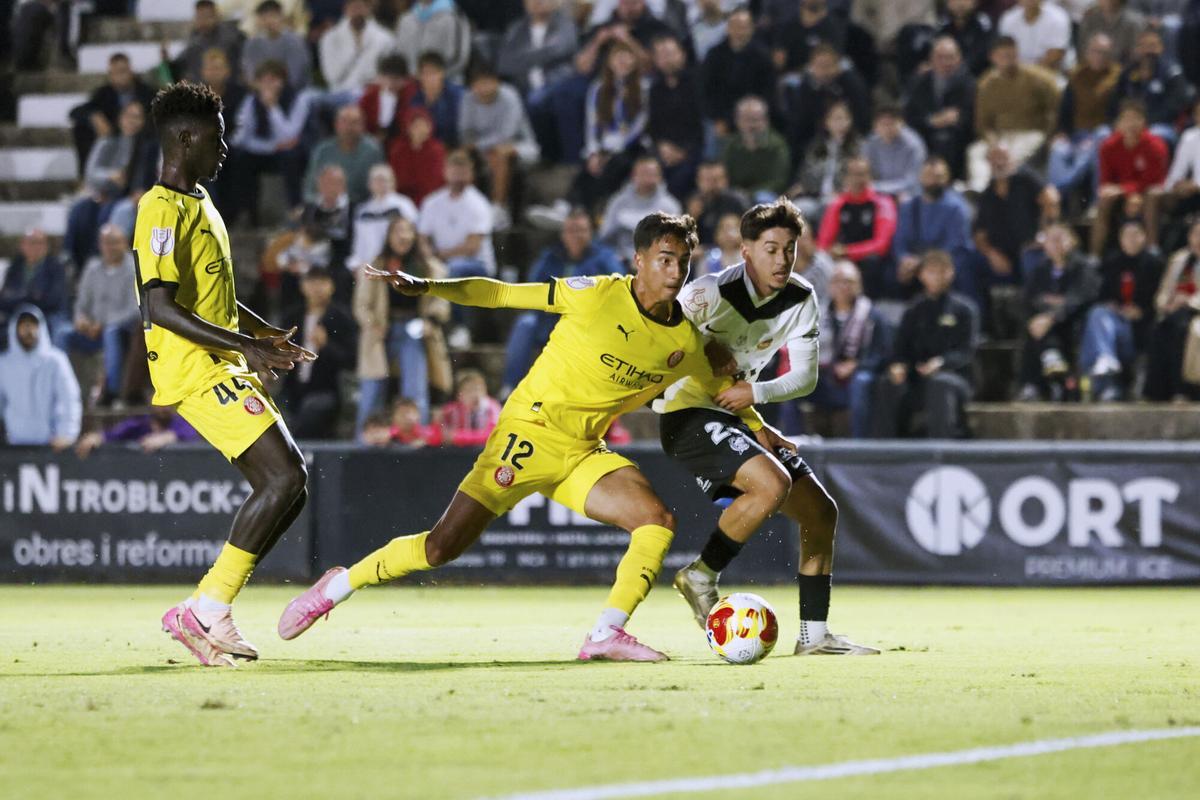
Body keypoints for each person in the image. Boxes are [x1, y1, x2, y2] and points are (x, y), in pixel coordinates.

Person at [278, 212, 789, 662]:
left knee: (656, 520)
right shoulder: (595, 294)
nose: (675, 273)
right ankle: (337, 586)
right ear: (639, 260)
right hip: (527, 434)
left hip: (582, 451)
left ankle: (605, 634)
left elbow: (722, 388)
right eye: (664, 259)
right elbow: (500, 294)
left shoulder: (686, 339)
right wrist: (431, 287)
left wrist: (762, 429)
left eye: (682, 261)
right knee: (441, 548)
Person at [137, 81, 316, 668]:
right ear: (185, 138)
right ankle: (207, 608)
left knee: (291, 485)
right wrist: (245, 345)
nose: (225, 149)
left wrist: (260, 334)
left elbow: (212, 297)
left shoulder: (201, 203)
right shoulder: (159, 209)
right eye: (216, 137)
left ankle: (209, 606)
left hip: (222, 360)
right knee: (283, 477)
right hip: (195, 369)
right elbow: (159, 306)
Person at [661, 199, 877, 655]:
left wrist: (754, 401)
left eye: (790, 249)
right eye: (771, 249)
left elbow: (806, 377)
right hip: (686, 415)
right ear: (746, 251)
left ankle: (813, 637)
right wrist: (701, 347)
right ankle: (701, 574)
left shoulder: (801, 297)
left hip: (739, 415)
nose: (781, 260)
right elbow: (656, 339)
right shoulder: (706, 294)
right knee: (772, 483)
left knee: (821, 513)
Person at [500, 208, 623, 395]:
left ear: (590, 233)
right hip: (551, 321)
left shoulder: (604, 258)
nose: (576, 235)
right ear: (563, 234)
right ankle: (510, 387)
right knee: (525, 324)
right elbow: (534, 288)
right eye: (571, 230)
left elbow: (619, 288)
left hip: (588, 323)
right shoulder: (550, 256)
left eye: (581, 230)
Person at [354, 215, 451, 431]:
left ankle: (417, 439)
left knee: (415, 388)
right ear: (389, 236)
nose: (403, 235)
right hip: (381, 331)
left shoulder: (428, 267)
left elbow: (441, 298)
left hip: (415, 329)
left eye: (407, 231)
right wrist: (372, 324)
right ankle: (364, 443)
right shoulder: (375, 266)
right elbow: (361, 305)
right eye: (397, 230)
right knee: (372, 389)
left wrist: (430, 320)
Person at [874, 250, 978, 438]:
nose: (936, 277)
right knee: (887, 383)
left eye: (941, 271)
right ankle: (887, 449)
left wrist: (942, 363)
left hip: (955, 378)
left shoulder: (965, 310)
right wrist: (898, 366)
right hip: (917, 378)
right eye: (931, 272)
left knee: (939, 384)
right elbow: (900, 349)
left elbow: (966, 351)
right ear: (921, 275)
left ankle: (941, 450)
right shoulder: (913, 310)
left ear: (951, 273)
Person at [804, 260, 890, 438]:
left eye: (848, 281)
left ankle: (858, 445)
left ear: (859, 285)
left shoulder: (872, 315)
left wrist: (856, 366)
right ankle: (790, 447)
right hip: (826, 372)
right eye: (837, 281)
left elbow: (882, 354)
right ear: (830, 286)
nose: (843, 286)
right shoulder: (817, 315)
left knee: (861, 381)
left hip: (860, 374)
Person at [1079, 220, 1164, 400]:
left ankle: (1103, 384)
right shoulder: (1111, 262)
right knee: (1097, 314)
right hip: (1114, 325)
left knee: (1094, 335)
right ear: (1120, 239)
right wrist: (1113, 307)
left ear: (1144, 237)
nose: (1131, 239)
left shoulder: (1155, 264)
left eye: (1136, 235)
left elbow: (1160, 301)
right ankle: (1106, 363)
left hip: (1140, 330)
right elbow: (1099, 295)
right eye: (1127, 235)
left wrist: (1142, 312)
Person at [1015, 224, 1098, 402]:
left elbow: (1079, 298)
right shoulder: (1040, 269)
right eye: (1050, 239)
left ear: (1072, 241)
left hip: (1072, 324)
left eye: (1060, 238)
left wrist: (1051, 316)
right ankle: (1037, 382)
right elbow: (1028, 299)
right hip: (1043, 325)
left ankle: (1037, 381)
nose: (1055, 244)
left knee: (1044, 330)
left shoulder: (1083, 266)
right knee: (1034, 328)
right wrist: (1035, 319)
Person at [968, 35, 1060, 191]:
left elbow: (1056, 107)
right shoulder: (986, 84)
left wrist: (1050, 133)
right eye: (1004, 56)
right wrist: (993, 143)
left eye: (1013, 55)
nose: (1009, 60)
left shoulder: (1039, 78)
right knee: (976, 152)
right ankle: (980, 190)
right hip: (1000, 136)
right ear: (993, 57)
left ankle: (1005, 190)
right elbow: (983, 123)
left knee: (1012, 156)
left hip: (1031, 132)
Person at [228, 60, 315, 223]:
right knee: (240, 158)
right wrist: (269, 146)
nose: (268, 85)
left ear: (282, 81)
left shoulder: (298, 100)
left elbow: (289, 135)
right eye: (263, 81)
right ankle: (248, 213)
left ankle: (296, 209)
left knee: (289, 157)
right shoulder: (251, 101)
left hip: (291, 151)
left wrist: (272, 107)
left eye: (273, 80)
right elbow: (243, 137)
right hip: (266, 149)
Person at [65, 224, 141, 406]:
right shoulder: (92, 268)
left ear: (124, 244)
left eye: (115, 242)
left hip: (123, 330)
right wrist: (81, 320)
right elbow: (81, 304)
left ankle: (112, 393)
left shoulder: (134, 269)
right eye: (106, 242)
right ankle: (67, 391)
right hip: (92, 329)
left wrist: (103, 324)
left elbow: (135, 309)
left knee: (111, 332)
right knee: (63, 334)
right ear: (100, 244)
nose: (110, 247)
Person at [458, 62, 540, 230]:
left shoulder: (510, 96)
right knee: (460, 156)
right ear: (472, 85)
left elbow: (506, 135)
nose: (483, 88)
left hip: (521, 146)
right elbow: (465, 132)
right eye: (478, 83)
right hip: (484, 149)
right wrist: (475, 147)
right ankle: (466, 208)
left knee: (499, 154)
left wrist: (478, 145)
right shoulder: (467, 99)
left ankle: (499, 210)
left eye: (487, 82)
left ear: (496, 82)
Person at [280, 268, 357, 438]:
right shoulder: (292, 317)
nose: (316, 287)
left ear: (332, 286)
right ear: (302, 286)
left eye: (322, 282)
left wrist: (326, 345)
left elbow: (351, 360)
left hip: (328, 390)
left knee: (312, 409)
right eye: (311, 282)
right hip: (292, 388)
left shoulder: (341, 317)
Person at [1049, 33, 1120, 205]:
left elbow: (1117, 114)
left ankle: (1094, 202)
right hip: (1075, 134)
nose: (1098, 56)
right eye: (1095, 51)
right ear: (1087, 53)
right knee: (1058, 148)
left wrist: (1093, 138)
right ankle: (1056, 202)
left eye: (1103, 52)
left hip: (1101, 134)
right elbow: (1065, 110)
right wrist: (1062, 132)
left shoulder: (1117, 77)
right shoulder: (1076, 76)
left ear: (1110, 55)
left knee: (1091, 148)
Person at [973, 143, 1056, 287]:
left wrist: (1044, 233)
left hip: (1031, 248)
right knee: (968, 262)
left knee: (1031, 258)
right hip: (1001, 254)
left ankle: (1032, 305)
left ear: (1013, 160)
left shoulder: (1026, 179)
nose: (999, 162)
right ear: (988, 162)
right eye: (995, 158)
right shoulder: (987, 194)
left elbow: (1051, 199)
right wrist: (992, 254)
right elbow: (979, 235)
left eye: (1003, 157)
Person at [1093, 101, 1168, 256]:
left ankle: (1152, 248)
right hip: (1121, 194)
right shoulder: (1108, 146)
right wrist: (1123, 193)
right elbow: (1105, 180)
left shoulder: (1155, 145)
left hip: (1148, 192)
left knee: (1152, 194)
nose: (1131, 124)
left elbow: (1155, 179)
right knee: (1104, 200)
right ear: (1118, 123)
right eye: (1126, 119)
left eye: (1135, 118)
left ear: (1144, 121)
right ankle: (1095, 255)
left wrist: (1129, 192)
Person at [816, 157, 898, 299]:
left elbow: (881, 245)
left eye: (862, 174)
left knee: (872, 261)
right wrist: (832, 253)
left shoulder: (883, 203)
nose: (857, 179)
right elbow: (823, 242)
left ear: (870, 177)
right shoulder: (837, 204)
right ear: (846, 178)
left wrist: (848, 251)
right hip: (842, 256)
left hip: (869, 259)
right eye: (853, 174)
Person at [0, 306, 81, 449]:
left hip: (51, 445)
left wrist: (66, 435)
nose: (28, 330)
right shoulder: (4, 364)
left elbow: (69, 399)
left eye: (32, 325)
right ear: (15, 329)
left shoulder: (56, 360)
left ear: (40, 328)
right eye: (23, 325)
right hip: (15, 445)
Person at [894, 157, 973, 298]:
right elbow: (900, 240)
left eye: (938, 177)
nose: (932, 181)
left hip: (946, 261)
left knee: (962, 270)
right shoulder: (909, 206)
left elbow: (955, 244)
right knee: (891, 274)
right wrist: (904, 259)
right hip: (914, 263)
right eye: (928, 176)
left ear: (947, 178)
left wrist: (923, 263)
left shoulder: (957, 207)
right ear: (920, 177)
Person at [779, 44, 872, 159]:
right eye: (819, 66)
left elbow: (862, 118)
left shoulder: (852, 84)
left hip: (848, 139)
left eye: (828, 66)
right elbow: (801, 121)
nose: (824, 71)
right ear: (811, 67)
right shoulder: (806, 87)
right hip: (816, 141)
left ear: (837, 66)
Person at [68, 52, 157, 173]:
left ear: (131, 71)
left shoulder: (145, 92)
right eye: (116, 73)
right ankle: (86, 176)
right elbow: (75, 112)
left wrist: (139, 123)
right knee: (81, 129)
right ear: (110, 75)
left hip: (139, 138)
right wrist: (94, 117)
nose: (120, 76)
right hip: (113, 138)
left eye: (123, 71)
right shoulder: (104, 94)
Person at [904, 36, 976, 180]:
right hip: (924, 134)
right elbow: (909, 117)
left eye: (950, 57)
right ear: (931, 59)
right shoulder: (918, 81)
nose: (945, 62)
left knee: (945, 139)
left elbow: (971, 116)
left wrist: (957, 119)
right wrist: (931, 121)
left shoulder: (969, 83)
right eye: (940, 57)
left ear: (959, 59)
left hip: (957, 138)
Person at [1146, 218, 1200, 400]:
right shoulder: (1179, 258)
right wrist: (1165, 304)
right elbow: (1164, 289)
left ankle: (1183, 390)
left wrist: (1188, 301)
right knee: (1159, 330)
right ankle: (1157, 392)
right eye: (1195, 234)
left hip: (1195, 312)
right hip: (1174, 311)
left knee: (1182, 330)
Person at [1109, 28, 1193, 144]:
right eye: (1144, 46)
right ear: (1137, 48)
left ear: (1161, 48)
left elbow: (1174, 106)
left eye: (1153, 46)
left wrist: (1144, 123)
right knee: (1102, 133)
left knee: (1157, 134)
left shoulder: (1172, 73)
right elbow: (1116, 101)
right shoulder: (1127, 72)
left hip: (1160, 124)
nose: (1148, 50)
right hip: (1128, 123)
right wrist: (1123, 122)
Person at [700, 7, 775, 134]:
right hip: (720, 117)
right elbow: (705, 90)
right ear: (728, 28)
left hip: (753, 117)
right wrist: (719, 118)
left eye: (744, 26)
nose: (740, 31)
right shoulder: (714, 55)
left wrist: (751, 117)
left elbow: (768, 92)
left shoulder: (763, 56)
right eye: (736, 26)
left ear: (752, 29)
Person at [647, 34, 704, 202]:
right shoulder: (655, 89)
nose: (667, 60)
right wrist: (662, 146)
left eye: (671, 54)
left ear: (682, 55)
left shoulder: (696, 83)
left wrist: (683, 152)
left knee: (680, 178)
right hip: (663, 151)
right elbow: (653, 125)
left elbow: (700, 124)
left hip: (693, 150)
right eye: (662, 55)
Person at [790, 100, 862, 224]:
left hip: (843, 198)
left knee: (827, 206)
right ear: (826, 122)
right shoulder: (816, 147)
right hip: (815, 196)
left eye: (843, 119)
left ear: (850, 121)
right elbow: (805, 175)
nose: (840, 123)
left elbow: (858, 177)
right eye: (835, 119)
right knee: (794, 209)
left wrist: (841, 192)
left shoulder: (857, 148)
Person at [597, 156, 682, 257]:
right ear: (634, 175)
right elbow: (604, 235)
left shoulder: (670, 205)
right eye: (644, 173)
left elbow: (676, 241)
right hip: (620, 258)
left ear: (660, 177)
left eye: (652, 174)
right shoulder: (618, 202)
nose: (648, 178)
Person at [0, 229, 69, 347]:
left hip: (48, 315)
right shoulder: (14, 267)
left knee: (59, 331)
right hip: (17, 316)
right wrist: (30, 297)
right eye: (31, 242)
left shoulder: (55, 267)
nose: (36, 247)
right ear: (23, 245)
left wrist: (19, 298)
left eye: (40, 243)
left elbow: (52, 299)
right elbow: (4, 299)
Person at [303, 105, 384, 205]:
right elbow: (309, 189)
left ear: (363, 126)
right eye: (344, 122)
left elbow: (379, 188)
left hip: (361, 208)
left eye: (354, 123)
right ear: (336, 125)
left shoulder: (372, 151)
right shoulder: (322, 150)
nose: (349, 128)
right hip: (325, 206)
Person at [496, 0, 579, 97]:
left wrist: (521, 59)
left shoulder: (565, 25)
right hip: (523, 91)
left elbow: (561, 49)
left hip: (558, 89)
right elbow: (504, 64)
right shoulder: (516, 29)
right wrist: (546, 56)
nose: (537, 1)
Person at [348, 163, 419, 271]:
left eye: (384, 180)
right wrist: (357, 263)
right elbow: (359, 243)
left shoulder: (404, 205)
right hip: (369, 263)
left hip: (399, 260)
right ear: (369, 184)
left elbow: (413, 234)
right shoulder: (362, 210)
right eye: (376, 180)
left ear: (393, 182)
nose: (380, 184)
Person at [720, 96, 790, 202]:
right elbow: (724, 173)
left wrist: (749, 193)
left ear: (766, 121)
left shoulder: (777, 146)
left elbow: (779, 181)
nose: (751, 125)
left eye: (756, 120)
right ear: (737, 121)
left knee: (763, 198)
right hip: (736, 192)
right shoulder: (732, 145)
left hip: (766, 194)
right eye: (746, 120)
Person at [318, 0, 396, 95]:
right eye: (353, 7)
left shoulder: (385, 39)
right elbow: (331, 77)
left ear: (368, 9)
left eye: (360, 7)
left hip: (369, 94)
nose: (356, 12)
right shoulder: (329, 38)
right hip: (337, 94)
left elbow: (386, 75)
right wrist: (355, 49)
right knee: (307, 97)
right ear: (345, 9)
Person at [165, 0, 243, 84]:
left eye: (207, 17)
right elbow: (180, 66)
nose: (203, 21)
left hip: (229, 90)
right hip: (202, 90)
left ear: (216, 16)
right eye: (199, 17)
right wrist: (167, 59)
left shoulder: (232, 38)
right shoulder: (194, 40)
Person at [240, 0, 311, 89]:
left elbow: (295, 77)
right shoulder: (251, 44)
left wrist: (273, 89)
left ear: (282, 17)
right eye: (264, 17)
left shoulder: (295, 42)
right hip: (260, 92)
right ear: (258, 20)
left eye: (273, 16)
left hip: (295, 92)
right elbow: (249, 75)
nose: (269, 21)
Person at [395, 0, 472, 82]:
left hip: (447, 84)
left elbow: (460, 57)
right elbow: (400, 54)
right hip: (412, 85)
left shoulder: (454, 16)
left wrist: (433, 77)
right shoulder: (406, 19)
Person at [75, 408, 201, 458]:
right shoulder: (139, 424)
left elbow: (190, 433)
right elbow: (112, 435)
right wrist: (96, 438)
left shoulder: (183, 422)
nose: (164, 406)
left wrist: (167, 438)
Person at [863, 104, 927, 201]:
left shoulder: (913, 144)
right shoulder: (871, 143)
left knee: (904, 198)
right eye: (883, 124)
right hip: (878, 191)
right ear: (875, 126)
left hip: (907, 192)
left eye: (891, 124)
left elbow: (912, 180)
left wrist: (878, 188)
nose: (887, 128)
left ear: (902, 123)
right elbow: (867, 172)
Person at [387, 106, 447, 206]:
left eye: (424, 125)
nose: (421, 130)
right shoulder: (398, 150)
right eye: (416, 126)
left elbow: (435, 181)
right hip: (403, 199)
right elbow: (395, 179)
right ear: (408, 128)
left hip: (431, 200)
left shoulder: (437, 150)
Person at [998, 0, 1072, 72]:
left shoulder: (1058, 17)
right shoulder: (1008, 18)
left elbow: (1055, 56)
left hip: (1050, 74)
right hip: (1016, 73)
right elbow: (1004, 52)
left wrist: (1028, 76)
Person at [411, 50, 465, 148]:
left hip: (453, 145)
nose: (430, 78)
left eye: (433, 73)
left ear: (442, 73)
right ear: (419, 76)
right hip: (426, 146)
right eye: (425, 73)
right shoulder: (414, 97)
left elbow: (459, 128)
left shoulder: (457, 95)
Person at [686, 161, 748, 246]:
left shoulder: (736, 201)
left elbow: (746, 234)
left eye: (716, 179)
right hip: (701, 251)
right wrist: (693, 216)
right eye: (706, 180)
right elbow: (684, 237)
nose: (711, 184)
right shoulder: (694, 201)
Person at [358, 53, 417, 141]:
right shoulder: (370, 95)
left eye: (396, 79)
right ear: (379, 77)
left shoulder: (412, 95)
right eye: (386, 78)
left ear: (405, 80)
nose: (390, 84)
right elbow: (361, 121)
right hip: (371, 139)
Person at [438, 368, 502, 446]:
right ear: (459, 396)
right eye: (469, 390)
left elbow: (491, 435)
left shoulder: (493, 408)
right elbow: (441, 434)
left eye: (479, 389)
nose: (475, 394)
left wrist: (457, 437)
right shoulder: (451, 411)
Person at [935, 0, 995, 77]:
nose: (960, 4)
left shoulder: (983, 24)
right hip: (947, 79)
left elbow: (982, 56)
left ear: (974, 2)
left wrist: (955, 68)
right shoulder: (942, 26)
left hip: (978, 77)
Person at [1078, 0, 1146, 64]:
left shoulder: (1134, 23)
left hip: (1122, 70)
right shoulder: (1090, 18)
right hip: (1092, 70)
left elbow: (1136, 55)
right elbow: (1082, 48)